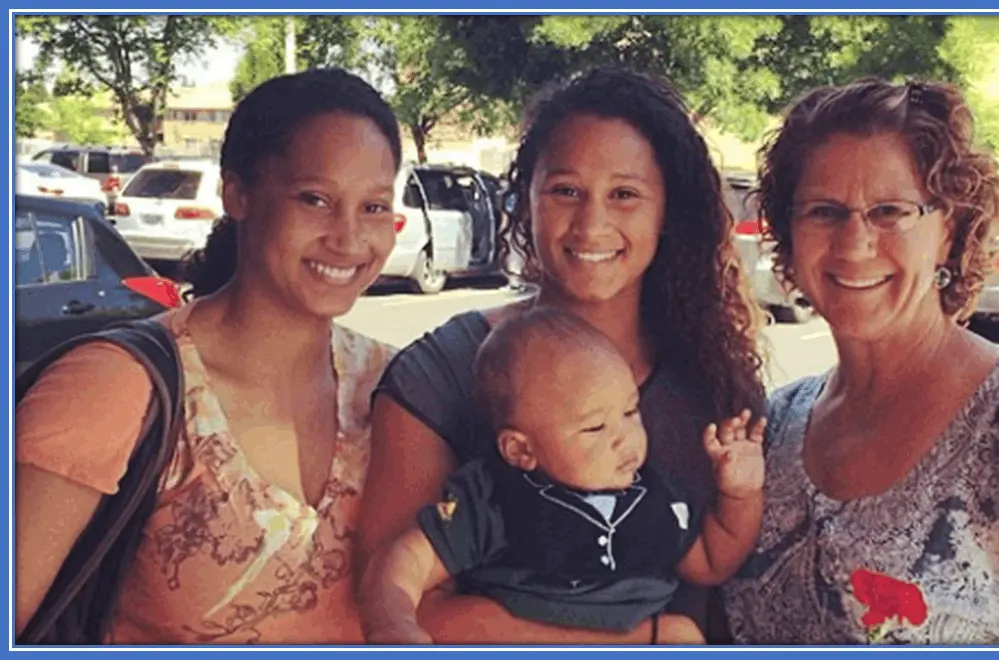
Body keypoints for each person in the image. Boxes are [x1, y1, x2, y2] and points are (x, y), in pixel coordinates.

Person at [357, 67, 769, 644]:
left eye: (625, 194)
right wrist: (644, 641)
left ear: (667, 210)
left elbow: (716, 567)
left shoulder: (714, 384)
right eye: (565, 190)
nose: (593, 223)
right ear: (526, 197)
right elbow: (400, 606)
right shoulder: (443, 374)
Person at [15, 68, 403, 644]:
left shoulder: (396, 390)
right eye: (315, 200)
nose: (349, 239)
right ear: (237, 193)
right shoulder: (122, 387)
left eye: (373, 207)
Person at [721, 78, 999, 645]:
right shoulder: (771, 430)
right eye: (824, 211)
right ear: (789, 237)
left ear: (948, 229)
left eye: (890, 211)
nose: (854, 243)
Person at [361, 308, 766, 644]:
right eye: (594, 429)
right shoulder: (495, 498)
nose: (625, 439)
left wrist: (740, 492)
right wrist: (391, 621)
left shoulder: (654, 496)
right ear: (521, 450)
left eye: (630, 412)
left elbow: (713, 560)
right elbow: (408, 558)